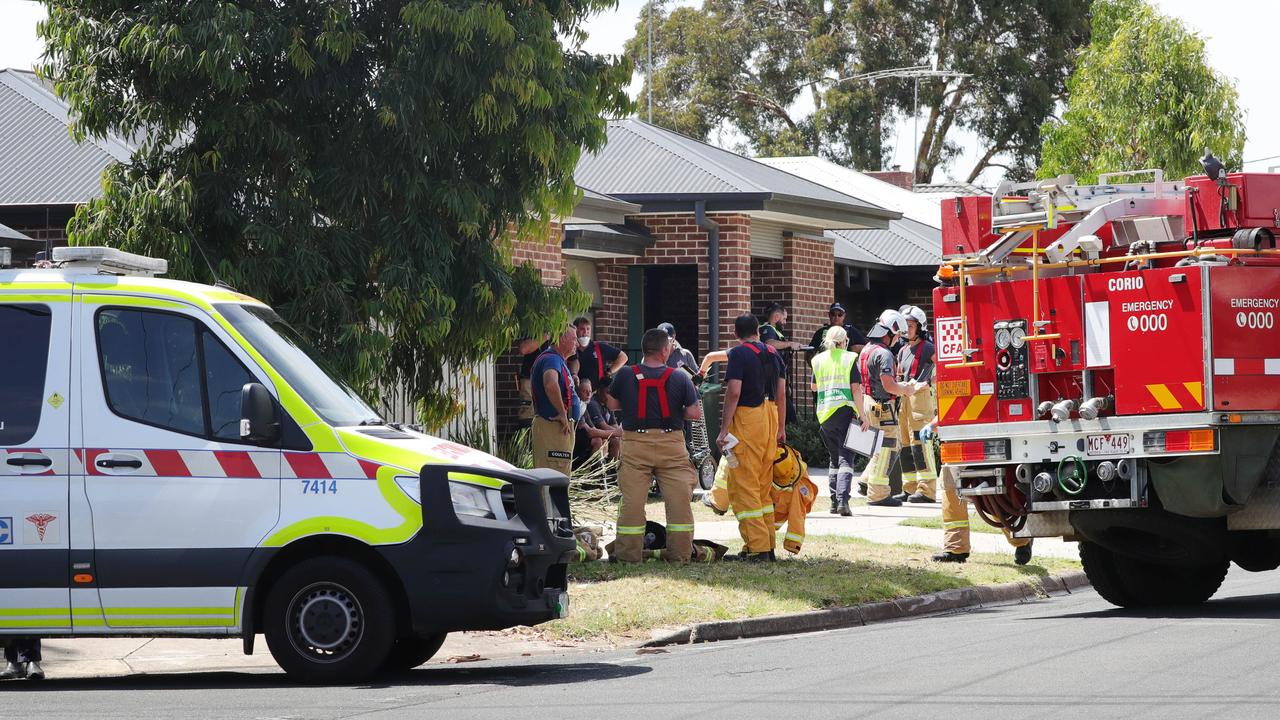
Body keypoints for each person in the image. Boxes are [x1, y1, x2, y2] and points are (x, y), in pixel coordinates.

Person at [607, 328, 703, 562]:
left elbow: (611, 403)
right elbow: (694, 413)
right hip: (671, 445)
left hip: (635, 445)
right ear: (664, 350)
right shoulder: (680, 377)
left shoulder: (625, 374)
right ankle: (680, 554)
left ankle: (628, 556)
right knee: (679, 500)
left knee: (632, 501)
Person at [717, 313, 787, 561]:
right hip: (770, 418)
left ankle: (757, 548)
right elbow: (781, 394)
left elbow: (734, 393)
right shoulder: (773, 353)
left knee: (745, 486)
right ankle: (767, 545)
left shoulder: (738, 354)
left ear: (736, 334)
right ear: (758, 330)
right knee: (762, 486)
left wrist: (724, 429)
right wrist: (781, 427)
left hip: (748, 420)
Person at [922, 421, 1034, 565]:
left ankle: (1021, 541)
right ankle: (956, 548)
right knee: (950, 482)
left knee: (995, 498)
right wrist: (932, 425)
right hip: (963, 436)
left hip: (994, 430)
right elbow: (954, 408)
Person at [856, 313, 925, 507]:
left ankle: (866, 480)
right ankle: (877, 493)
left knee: (879, 447)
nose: (898, 339)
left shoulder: (866, 350)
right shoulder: (884, 354)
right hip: (883, 406)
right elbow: (888, 385)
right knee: (887, 449)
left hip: (869, 402)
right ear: (892, 331)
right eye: (898, 334)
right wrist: (906, 389)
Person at [810, 326, 859, 516]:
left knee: (833, 459)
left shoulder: (818, 360)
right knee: (846, 458)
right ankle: (842, 502)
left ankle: (832, 502)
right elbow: (856, 390)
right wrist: (863, 416)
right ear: (843, 341)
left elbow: (813, 387)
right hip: (845, 411)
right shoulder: (849, 358)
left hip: (825, 414)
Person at [896, 305, 938, 503]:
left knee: (920, 444)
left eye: (911, 326)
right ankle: (910, 487)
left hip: (920, 399)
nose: (907, 330)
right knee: (905, 445)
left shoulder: (928, 347)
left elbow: (942, 367)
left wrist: (928, 382)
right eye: (905, 326)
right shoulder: (903, 350)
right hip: (904, 400)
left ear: (920, 327)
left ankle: (927, 490)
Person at [531, 325, 581, 477]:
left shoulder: (555, 359)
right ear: (561, 339)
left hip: (558, 428)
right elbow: (550, 383)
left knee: (559, 477)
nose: (577, 344)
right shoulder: (552, 359)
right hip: (554, 427)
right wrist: (562, 413)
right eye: (574, 339)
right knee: (554, 478)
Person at [574, 377, 622, 465]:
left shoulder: (606, 403)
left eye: (590, 391)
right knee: (605, 441)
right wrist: (620, 433)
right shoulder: (590, 404)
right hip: (579, 435)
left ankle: (612, 469)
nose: (588, 394)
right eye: (607, 392)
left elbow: (613, 425)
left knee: (615, 440)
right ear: (599, 390)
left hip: (593, 433)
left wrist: (619, 433)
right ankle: (599, 470)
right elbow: (599, 427)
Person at [573, 316, 628, 388]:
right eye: (582, 329)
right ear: (575, 330)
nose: (585, 332)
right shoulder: (571, 349)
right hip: (574, 392)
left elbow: (623, 357)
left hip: (596, 393)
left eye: (588, 329)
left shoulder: (599, 347)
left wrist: (609, 371)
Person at [515, 335, 550, 429]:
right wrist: (546, 336)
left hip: (551, 379)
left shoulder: (561, 327)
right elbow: (523, 349)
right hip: (530, 379)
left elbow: (574, 358)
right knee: (527, 415)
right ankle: (527, 441)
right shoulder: (532, 326)